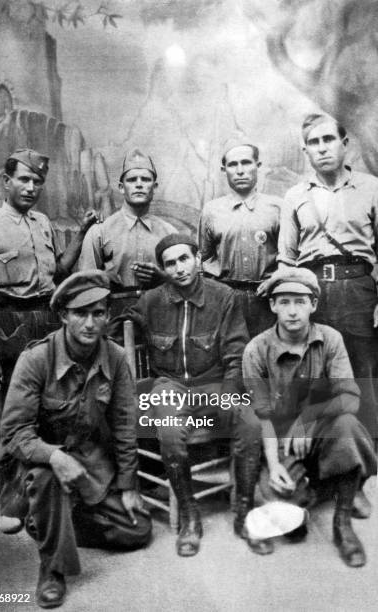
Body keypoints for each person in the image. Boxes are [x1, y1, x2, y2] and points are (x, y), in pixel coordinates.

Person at [112, 233, 271, 557]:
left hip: (213, 383)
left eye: (185, 259)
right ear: (163, 268)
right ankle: (189, 516)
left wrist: (228, 394)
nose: (179, 268)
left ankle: (244, 513)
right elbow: (119, 327)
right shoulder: (151, 300)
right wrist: (121, 328)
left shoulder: (223, 296)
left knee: (250, 422)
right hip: (169, 385)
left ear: (198, 259)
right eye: (170, 263)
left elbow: (235, 351)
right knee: (169, 430)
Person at [0, 271, 152, 609]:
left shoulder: (115, 357)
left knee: (138, 531)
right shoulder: (36, 359)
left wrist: (129, 485)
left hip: (88, 456)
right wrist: (55, 457)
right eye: (80, 313)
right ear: (64, 315)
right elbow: (14, 433)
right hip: (37, 459)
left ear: (107, 316)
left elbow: (126, 423)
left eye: (98, 313)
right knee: (47, 479)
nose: (89, 323)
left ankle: (50, 521)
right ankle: (52, 569)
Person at [0, 148, 98, 532]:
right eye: (23, 180)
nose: (31, 187)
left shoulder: (42, 222)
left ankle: (51, 498)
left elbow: (58, 271)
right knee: (13, 413)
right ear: (6, 183)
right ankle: (11, 502)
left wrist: (81, 233)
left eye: (37, 181)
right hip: (7, 324)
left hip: (45, 320)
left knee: (54, 406)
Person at [242, 268, 376, 566]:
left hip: (322, 429)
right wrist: (275, 464)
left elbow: (350, 397)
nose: (292, 311)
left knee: (347, 425)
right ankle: (317, 485)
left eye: (300, 302)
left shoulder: (330, 339)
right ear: (272, 305)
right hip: (279, 440)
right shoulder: (256, 350)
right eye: (284, 302)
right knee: (290, 520)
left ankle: (343, 524)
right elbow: (262, 415)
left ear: (314, 304)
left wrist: (308, 419)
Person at [277, 113, 378, 441]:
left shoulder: (371, 188)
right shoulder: (295, 196)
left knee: (364, 376)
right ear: (305, 150)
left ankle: (369, 465)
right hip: (312, 292)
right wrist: (289, 307)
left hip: (359, 291)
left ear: (345, 144)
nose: (321, 149)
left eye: (328, 140)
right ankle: (321, 465)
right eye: (313, 143)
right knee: (314, 375)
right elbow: (286, 260)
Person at [79, 147, 177, 315]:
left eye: (145, 179)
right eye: (132, 180)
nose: (139, 184)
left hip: (161, 313)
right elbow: (85, 286)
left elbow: (186, 281)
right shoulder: (100, 232)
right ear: (121, 187)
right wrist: (104, 278)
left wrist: (163, 277)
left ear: (155, 186)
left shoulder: (169, 233)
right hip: (115, 315)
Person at [198, 141, 282, 337]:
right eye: (233, 165)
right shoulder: (212, 210)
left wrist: (275, 283)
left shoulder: (277, 208)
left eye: (246, 163)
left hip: (269, 299)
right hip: (227, 300)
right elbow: (204, 258)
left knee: (269, 357)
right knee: (232, 357)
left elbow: (288, 256)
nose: (240, 171)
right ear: (224, 169)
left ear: (258, 166)